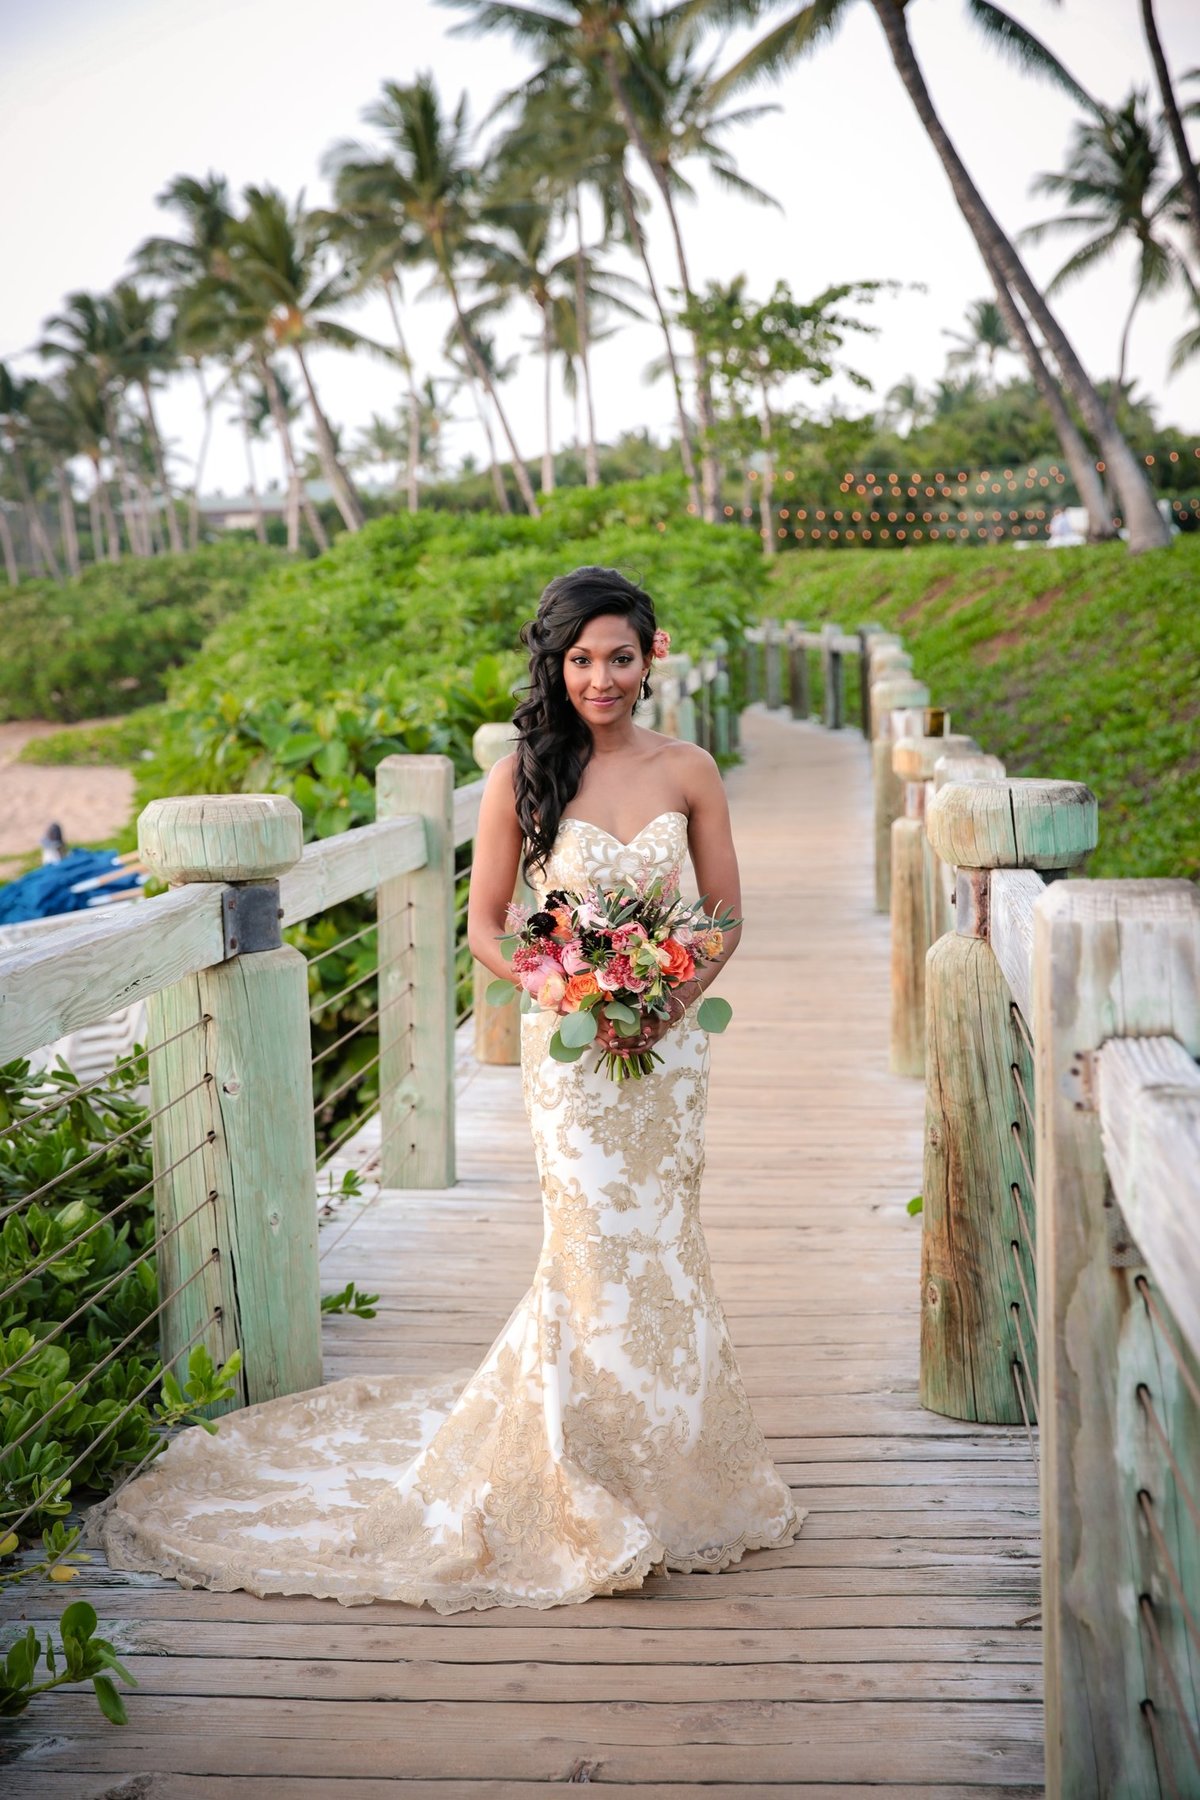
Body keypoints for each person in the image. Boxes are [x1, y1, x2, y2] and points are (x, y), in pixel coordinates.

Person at [92, 566, 802, 1612]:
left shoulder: (691, 769)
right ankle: (575, 1479)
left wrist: (668, 996)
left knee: (664, 1240)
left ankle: (674, 1472)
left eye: (618, 656)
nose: (599, 677)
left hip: (670, 1051)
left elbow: (725, 913)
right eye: (579, 660)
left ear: (651, 658)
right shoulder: (526, 775)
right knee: (591, 1246)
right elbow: (487, 921)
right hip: (575, 1059)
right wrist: (562, 985)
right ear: (555, 667)